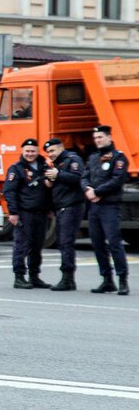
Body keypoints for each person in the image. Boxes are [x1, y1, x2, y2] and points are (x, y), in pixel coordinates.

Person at [81, 125, 129, 295]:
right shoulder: (93, 158)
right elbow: (85, 177)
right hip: (94, 206)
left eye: (100, 137)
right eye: (95, 138)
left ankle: (122, 279)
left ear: (109, 137)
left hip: (109, 206)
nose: (97, 141)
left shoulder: (118, 157)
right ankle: (107, 280)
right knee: (97, 243)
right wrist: (88, 190)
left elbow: (117, 180)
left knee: (114, 242)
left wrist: (97, 192)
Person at [3, 138, 53, 289]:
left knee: (37, 246)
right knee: (22, 246)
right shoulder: (16, 169)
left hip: (41, 213)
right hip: (25, 213)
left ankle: (34, 276)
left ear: (38, 152)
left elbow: (50, 191)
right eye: (27, 151)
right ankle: (19, 277)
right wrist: (13, 213)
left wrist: (50, 208)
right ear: (22, 152)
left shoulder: (44, 167)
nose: (30, 154)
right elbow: (9, 191)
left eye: (33, 151)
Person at [43, 137, 85, 291]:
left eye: (53, 150)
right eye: (48, 152)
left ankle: (67, 278)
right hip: (61, 207)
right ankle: (68, 278)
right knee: (63, 242)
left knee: (66, 242)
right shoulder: (57, 164)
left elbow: (78, 178)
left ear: (61, 148)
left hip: (71, 206)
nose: (51, 154)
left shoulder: (72, 160)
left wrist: (58, 175)